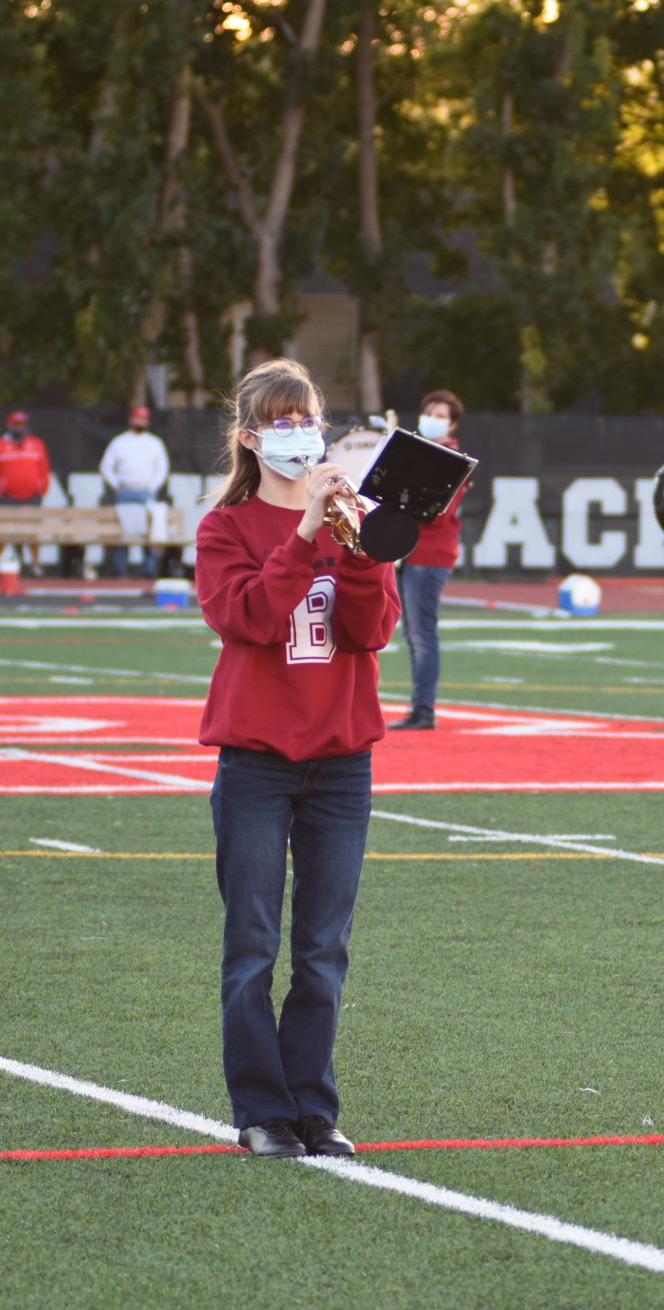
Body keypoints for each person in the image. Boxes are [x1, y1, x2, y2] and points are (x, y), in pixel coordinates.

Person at [196, 357, 401, 1159]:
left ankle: (313, 1106)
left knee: (323, 947)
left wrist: (357, 543)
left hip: (342, 758)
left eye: (306, 416)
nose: (299, 433)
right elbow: (246, 616)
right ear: (248, 437)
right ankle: (261, 1110)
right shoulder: (226, 526)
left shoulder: (357, 518)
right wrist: (306, 533)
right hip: (256, 758)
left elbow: (370, 629)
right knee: (252, 946)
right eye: (280, 422)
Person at [388, 390, 469, 731]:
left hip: (430, 552)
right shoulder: (424, 454)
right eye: (428, 412)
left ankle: (424, 710)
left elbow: (434, 512)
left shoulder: (451, 460)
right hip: (413, 552)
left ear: (451, 425)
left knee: (422, 635)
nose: (432, 418)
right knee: (414, 634)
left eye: (440, 414)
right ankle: (421, 707)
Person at [101, 405, 171, 578]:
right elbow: (106, 466)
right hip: (124, 491)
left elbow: (162, 468)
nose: (140, 421)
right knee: (122, 531)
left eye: (143, 419)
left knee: (149, 530)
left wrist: (152, 486)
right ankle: (120, 568)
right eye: (137, 418)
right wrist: (116, 484)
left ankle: (148, 569)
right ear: (131, 419)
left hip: (146, 492)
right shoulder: (120, 442)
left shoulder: (154, 443)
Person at [0, 410, 53, 573]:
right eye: (16, 425)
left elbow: (44, 471)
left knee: (33, 533)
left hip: (32, 497)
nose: (19, 428)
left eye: (22, 425)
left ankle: (35, 565)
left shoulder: (37, 444)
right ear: (9, 425)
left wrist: (41, 491)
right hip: (7, 498)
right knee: (2, 532)